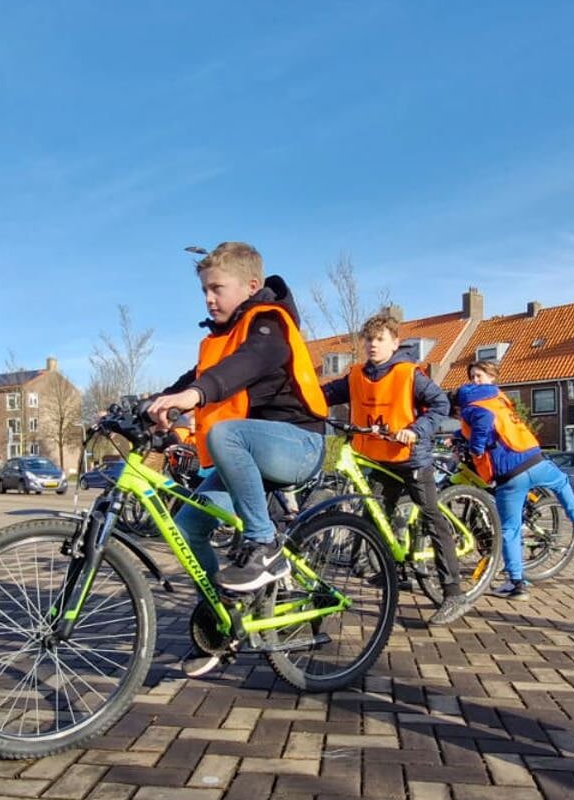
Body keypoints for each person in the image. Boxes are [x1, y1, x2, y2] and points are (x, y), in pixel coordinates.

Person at [146, 242, 330, 612]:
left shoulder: (269, 324)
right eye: (204, 291)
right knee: (187, 527)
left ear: (250, 285)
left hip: (299, 445)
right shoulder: (222, 337)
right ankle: (220, 616)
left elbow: (247, 364)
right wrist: (150, 403)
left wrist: (197, 394)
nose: (209, 299)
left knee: (224, 433)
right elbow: (195, 377)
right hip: (252, 455)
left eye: (217, 289)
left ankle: (264, 546)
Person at [320, 311, 474, 625]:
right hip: (378, 457)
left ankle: (454, 592)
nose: (372, 345)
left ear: (395, 343)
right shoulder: (356, 376)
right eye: (368, 340)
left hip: (411, 457)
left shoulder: (409, 374)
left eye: (380, 339)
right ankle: (391, 570)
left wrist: (417, 429)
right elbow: (322, 393)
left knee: (431, 517)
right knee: (374, 513)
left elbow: (441, 405)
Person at [452, 360, 574, 601]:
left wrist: (476, 450)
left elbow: (482, 422)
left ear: (492, 377)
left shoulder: (472, 402)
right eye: (472, 376)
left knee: (509, 530)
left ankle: (517, 583)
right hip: (534, 460)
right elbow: (493, 426)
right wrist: (458, 435)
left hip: (510, 474)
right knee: (562, 482)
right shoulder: (498, 398)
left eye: (479, 375)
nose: (475, 380)